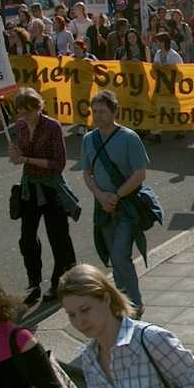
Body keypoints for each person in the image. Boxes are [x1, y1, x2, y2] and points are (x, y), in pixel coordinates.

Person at [58, 264, 194, 388]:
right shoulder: (89, 359)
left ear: (106, 299)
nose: (79, 321)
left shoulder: (153, 339)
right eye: (71, 315)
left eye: (85, 310)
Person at [81, 90, 150, 317]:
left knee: (120, 255)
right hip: (103, 207)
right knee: (114, 256)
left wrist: (117, 195)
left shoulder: (129, 137)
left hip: (126, 206)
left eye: (102, 111)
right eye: (94, 112)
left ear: (113, 112)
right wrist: (100, 195)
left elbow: (139, 174)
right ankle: (123, 301)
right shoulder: (88, 139)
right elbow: (87, 173)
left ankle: (135, 305)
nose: (97, 116)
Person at [8, 88, 79, 304]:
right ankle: (34, 282)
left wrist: (27, 159)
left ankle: (59, 280)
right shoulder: (20, 126)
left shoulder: (52, 126)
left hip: (51, 188)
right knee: (27, 238)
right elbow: (20, 155)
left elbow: (59, 164)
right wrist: (16, 155)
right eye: (21, 112)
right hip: (30, 187)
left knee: (57, 237)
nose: (25, 117)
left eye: (29, 112)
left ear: (38, 107)